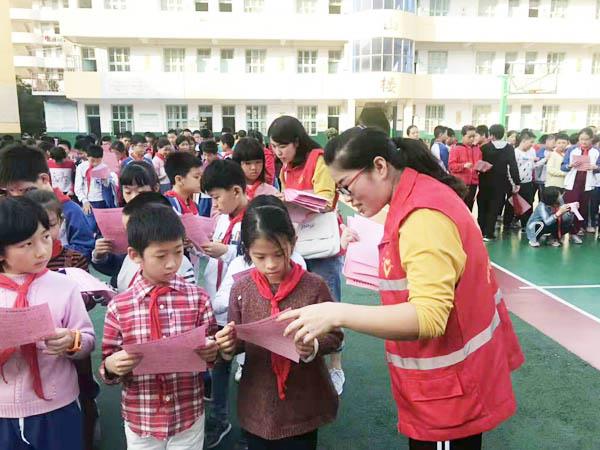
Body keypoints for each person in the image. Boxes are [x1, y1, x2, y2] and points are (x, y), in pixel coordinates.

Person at [280, 127, 524, 450]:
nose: (347, 199)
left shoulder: (422, 217)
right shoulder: (418, 196)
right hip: (447, 383)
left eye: (347, 186)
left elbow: (428, 317)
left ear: (380, 167)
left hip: (449, 391)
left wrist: (336, 313)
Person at [215, 198, 341, 450]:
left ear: (293, 243)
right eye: (260, 257)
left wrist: (313, 346)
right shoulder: (242, 289)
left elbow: (335, 336)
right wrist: (227, 345)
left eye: (279, 254)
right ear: (247, 250)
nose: (271, 264)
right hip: (257, 397)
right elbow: (238, 339)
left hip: (303, 399)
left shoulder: (314, 286)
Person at [100, 203, 218, 449]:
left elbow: (211, 348)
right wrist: (111, 366)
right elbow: (107, 361)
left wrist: (212, 351)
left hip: (187, 412)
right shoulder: (120, 306)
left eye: (178, 252)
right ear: (135, 255)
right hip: (142, 416)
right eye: (161, 256)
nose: (172, 264)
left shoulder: (198, 298)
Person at [0, 196, 95, 450]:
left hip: (56, 405)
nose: (42, 250)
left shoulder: (64, 285)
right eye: (27, 244)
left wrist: (71, 341)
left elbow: (87, 339)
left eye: (45, 237)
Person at [268, 115, 345, 395]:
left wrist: (292, 198)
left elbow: (325, 200)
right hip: (299, 242)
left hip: (322, 243)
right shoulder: (284, 168)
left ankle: (336, 366)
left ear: (297, 142)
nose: (278, 152)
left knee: (330, 301)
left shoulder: (318, 158)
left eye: (282, 146)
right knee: (301, 300)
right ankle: (307, 351)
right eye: (274, 147)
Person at [198, 159, 248, 448]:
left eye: (217, 198)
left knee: (245, 362)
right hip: (215, 298)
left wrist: (225, 251)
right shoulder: (222, 219)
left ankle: (248, 426)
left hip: (239, 305)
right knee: (218, 361)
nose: (214, 205)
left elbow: (252, 257)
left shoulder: (253, 219)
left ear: (236, 191)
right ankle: (220, 417)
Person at [0, 143, 95, 259]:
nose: (16, 197)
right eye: (10, 191)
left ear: (44, 179)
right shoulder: (9, 210)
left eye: (23, 190)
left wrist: (52, 254)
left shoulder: (70, 210)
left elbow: (85, 247)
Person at [92, 162, 161, 287]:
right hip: (127, 288)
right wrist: (99, 255)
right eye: (128, 192)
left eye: (141, 192)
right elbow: (114, 267)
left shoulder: (168, 218)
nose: (134, 198)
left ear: (155, 189)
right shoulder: (115, 220)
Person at [477, 124, 520, 241]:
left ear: (491, 135)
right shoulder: (509, 148)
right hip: (501, 182)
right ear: (503, 134)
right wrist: (517, 182)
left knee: (483, 205)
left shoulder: (485, 148)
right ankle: (489, 233)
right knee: (494, 207)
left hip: (485, 180)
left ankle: (480, 230)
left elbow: (478, 164)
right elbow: (513, 166)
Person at [560, 127, 600, 241]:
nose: (583, 142)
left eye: (586, 139)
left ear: (591, 139)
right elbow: (563, 166)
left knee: (582, 209)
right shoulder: (571, 149)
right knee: (568, 209)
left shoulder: (596, 151)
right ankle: (561, 232)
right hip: (572, 184)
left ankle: (575, 232)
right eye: (581, 139)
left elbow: (599, 167)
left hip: (587, 185)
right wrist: (570, 165)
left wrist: (595, 167)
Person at [504, 129, 545, 231]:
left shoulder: (532, 152)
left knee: (528, 204)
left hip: (528, 182)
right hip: (515, 183)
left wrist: (544, 160)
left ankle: (526, 225)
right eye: (531, 142)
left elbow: (533, 166)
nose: (532, 144)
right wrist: (513, 184)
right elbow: (509, 169)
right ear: (523, 141)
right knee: (512, 204)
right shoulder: (515, 152)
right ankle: (507, 223)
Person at [74, 144, 119, 232]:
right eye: (92, 160)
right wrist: (84, 200)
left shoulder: (105, 167)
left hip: (103, 201)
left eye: (98, 161)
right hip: (89, 201)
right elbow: (78, 186)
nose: (95, 163)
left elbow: (113, 184)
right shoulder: (82, 167)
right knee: (90, 226)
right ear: (87, 157)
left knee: (104, 227)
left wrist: (105, 180)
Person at [448, 125, 482, 210]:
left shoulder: (477, 149)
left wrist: (481, 167)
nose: (472, 139)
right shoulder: (456, 148)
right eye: (469, 137)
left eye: (473, 136)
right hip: (460, 183)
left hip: (473, 184)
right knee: (459, 207)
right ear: (463, 136)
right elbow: (451, 166)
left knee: (469, 207)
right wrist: (463, 166)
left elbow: (479, 163)